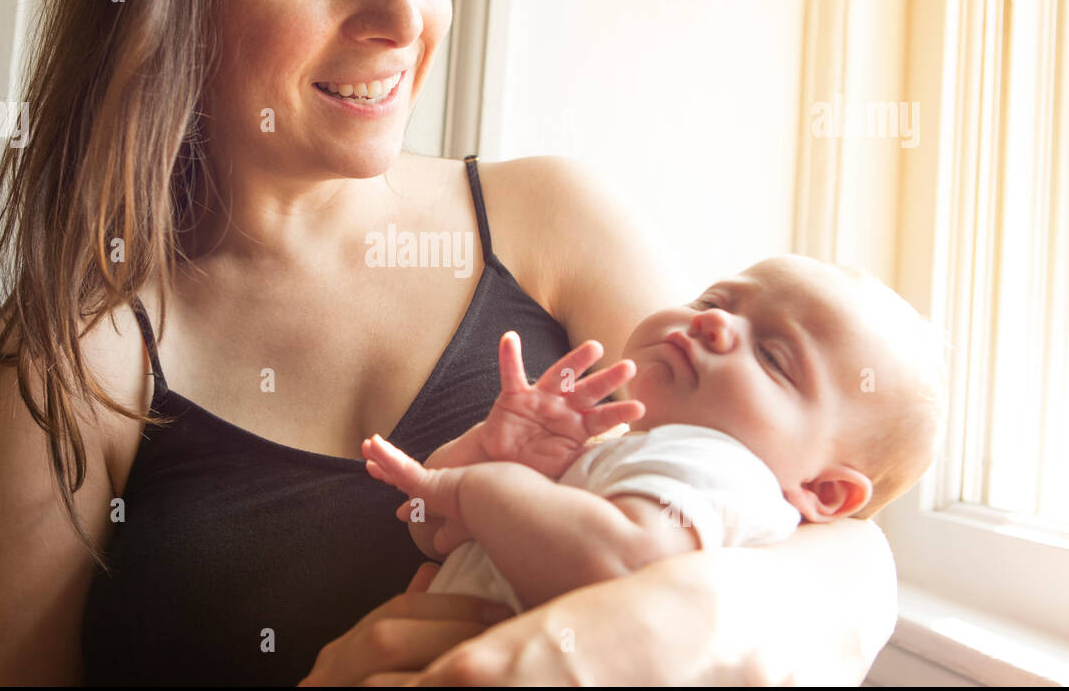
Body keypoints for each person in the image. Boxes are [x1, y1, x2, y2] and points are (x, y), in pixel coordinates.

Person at [0, 0, 898, 686]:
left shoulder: (552, 221)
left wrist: (608, 642)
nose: (399, 18)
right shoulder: (75, 362)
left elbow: (824, 529)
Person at [362, 255, 946, 615]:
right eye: (714, 300)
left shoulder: (724, 472)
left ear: (821, 492)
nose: (714, 322)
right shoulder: (624, 454)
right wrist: (491, 457)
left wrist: (477, 490)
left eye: (772, 356)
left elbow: (616, 563)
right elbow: (428, 530)